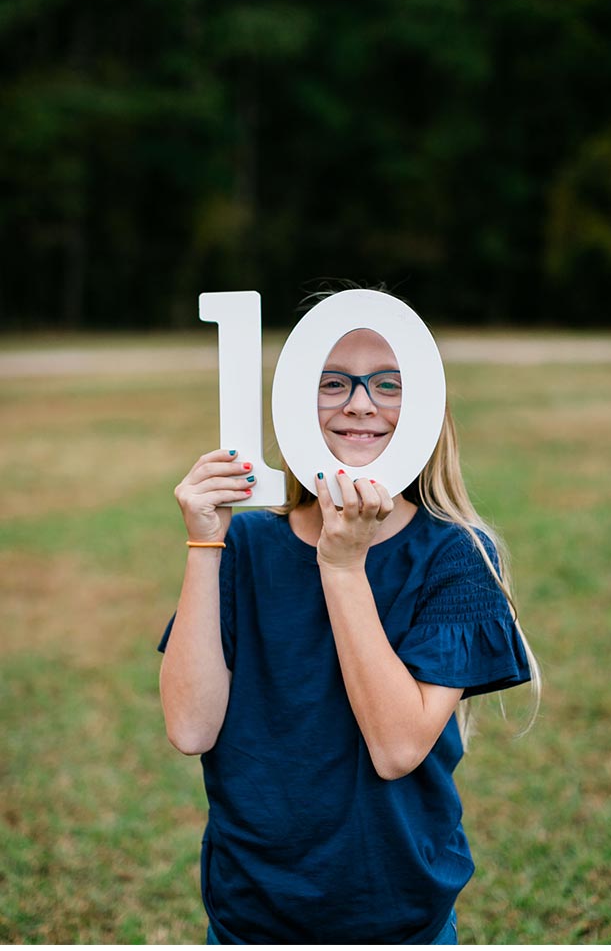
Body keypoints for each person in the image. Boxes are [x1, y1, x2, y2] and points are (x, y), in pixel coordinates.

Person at [159, 321, 539, 943]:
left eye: (387, 385)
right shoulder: (246, 544)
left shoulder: (457, 555)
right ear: (293, 406)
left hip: (393, 909)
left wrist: (343, 566)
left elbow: (396, 750)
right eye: (333, 382)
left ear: (426, 410)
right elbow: (190, 727)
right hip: (250, 906)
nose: (359, 402)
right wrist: (206, 541)